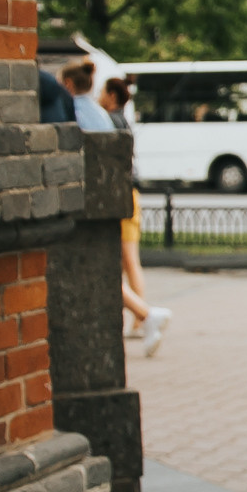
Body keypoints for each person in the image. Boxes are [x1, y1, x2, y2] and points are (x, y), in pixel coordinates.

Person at [99, 75, 171, 356]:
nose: (99, 97)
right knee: (128, 260)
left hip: (123, 195)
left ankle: (143, 317)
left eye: (102, 92)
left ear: (112, 96)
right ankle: (141, 317)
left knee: (128, 259)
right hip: (130, 193)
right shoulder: (122, 121)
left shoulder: (111, 121)